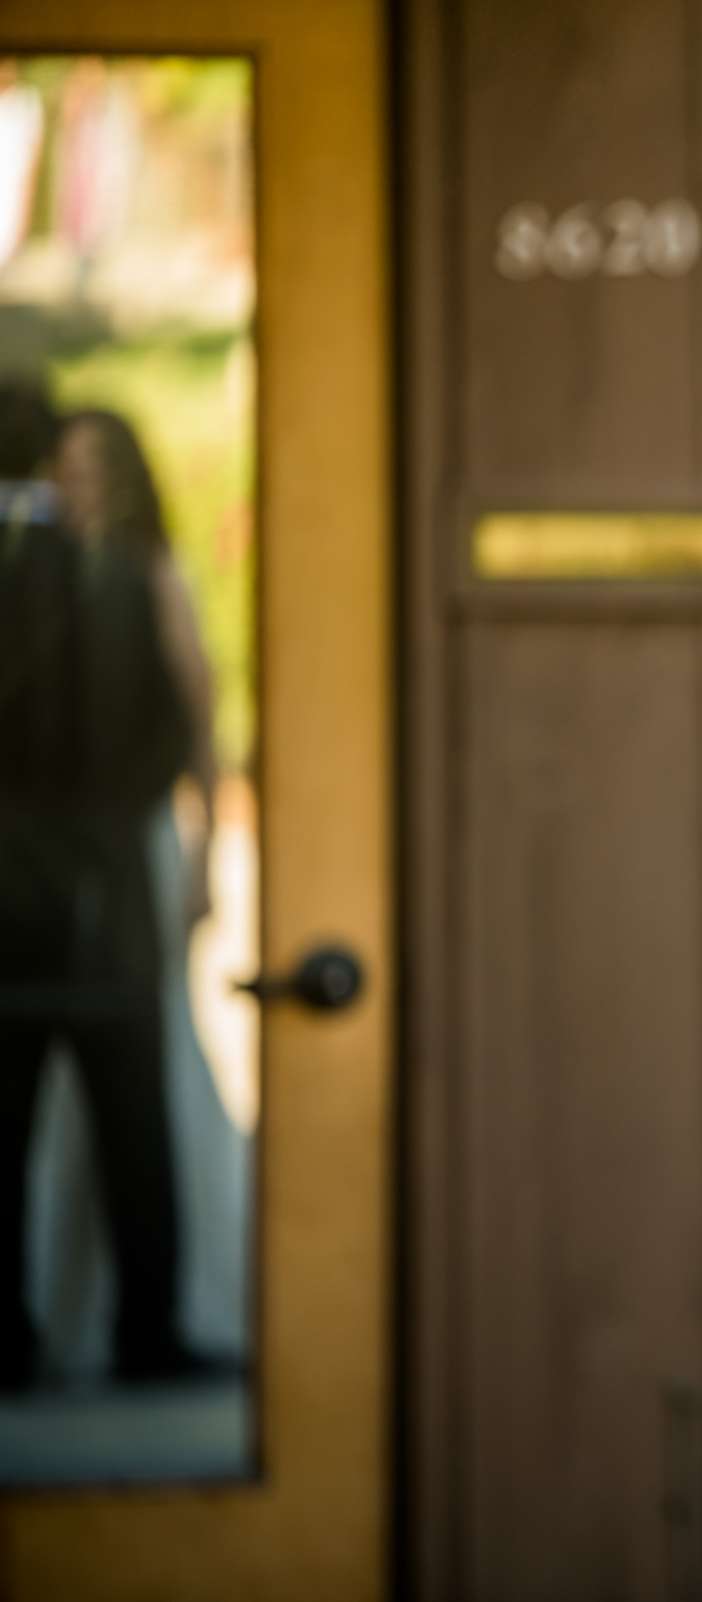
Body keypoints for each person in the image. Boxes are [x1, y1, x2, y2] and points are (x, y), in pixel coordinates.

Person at [40, 406, 249, 1369]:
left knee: (144, 1077)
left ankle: (156, 1310)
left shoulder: (148, 574)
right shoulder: (36, 582)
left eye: (94, 471)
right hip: (49, 860)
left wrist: (204, 851)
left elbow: (201, 717)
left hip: (132, 847)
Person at [0, 377, 196, 1388]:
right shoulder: (78, 578)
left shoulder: (114, 576)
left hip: (55, 882)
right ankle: (129, 1334)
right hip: (75, 883)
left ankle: (83, 1334)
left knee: (81, 1117)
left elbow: (175, 722)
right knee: (104, 1120)